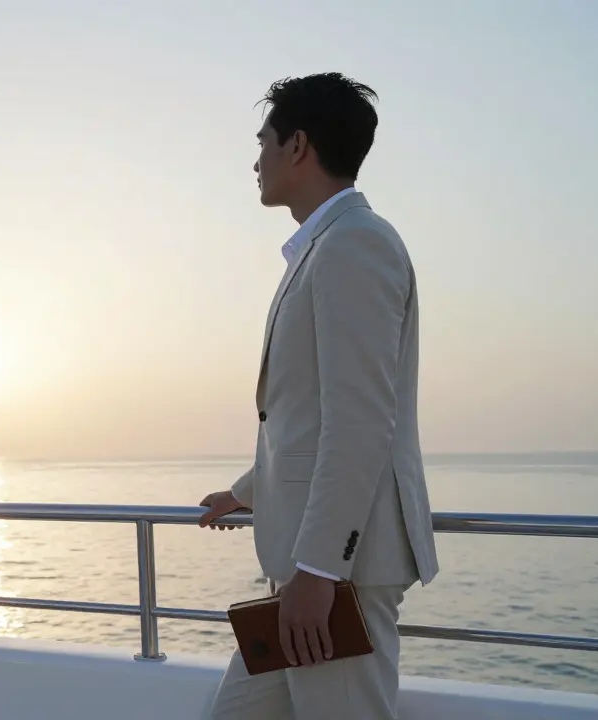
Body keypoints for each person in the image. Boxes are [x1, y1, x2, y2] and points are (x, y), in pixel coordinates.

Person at [197, 73, 439, 719]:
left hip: (338, 575)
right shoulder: (323, 249)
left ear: (297, 146)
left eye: (265, 142)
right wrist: (251, 489)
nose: (256, 160)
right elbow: (305, 416)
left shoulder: (354, 245)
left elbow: (360, 421)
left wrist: (320, 570)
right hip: (309, 566)